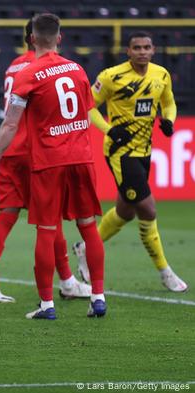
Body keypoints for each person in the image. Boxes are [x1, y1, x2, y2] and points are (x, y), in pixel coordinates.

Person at [0, 13, 106, 320]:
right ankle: (98, 297)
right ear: (60, 38)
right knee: (88, 227)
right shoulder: (78, 69)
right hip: (81, 157)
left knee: (47, 229)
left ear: (32, 39)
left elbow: (11, 124)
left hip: (49, 161)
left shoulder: (28, 74)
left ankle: (47, 305)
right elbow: (88, 111)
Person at [72, 31, 187, 292]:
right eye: (137, 48)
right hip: (121, 153)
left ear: (153, 50)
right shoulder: (111, 77)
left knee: (126, 211)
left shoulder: (161, 74)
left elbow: (168, 103)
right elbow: (88, 107)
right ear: (128, 51)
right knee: (148, 209)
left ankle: (84, 249)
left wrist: (169, 120)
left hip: (145, 151)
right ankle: (165, 271)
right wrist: (109, 130)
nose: (142, 52)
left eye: (147, 47)